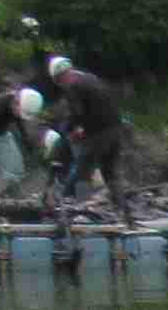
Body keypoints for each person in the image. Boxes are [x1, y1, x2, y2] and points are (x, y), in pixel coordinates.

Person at [43, 53, 133, 220]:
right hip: (116, 131)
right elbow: (98, 106)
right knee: (110, 173)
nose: (62, 85)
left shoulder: (73, 87)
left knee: (81, 171)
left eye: (59, 82)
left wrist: (67, 130)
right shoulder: (91, 79)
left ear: (60, 77)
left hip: (98, 135)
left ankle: (66, 207)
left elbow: (77, 114)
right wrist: (80, 128)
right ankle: (124, 212)